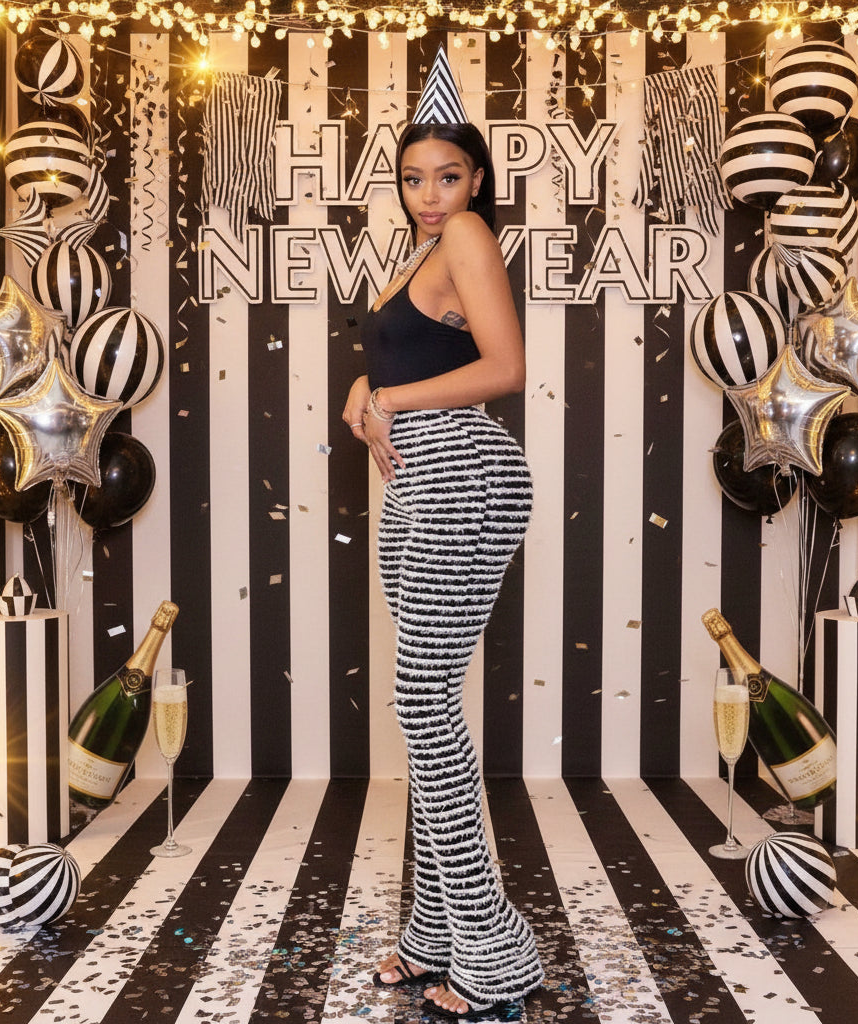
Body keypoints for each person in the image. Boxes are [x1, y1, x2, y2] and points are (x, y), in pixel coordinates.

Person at [342, 120, 544, 1020]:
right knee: (427, 701)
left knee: (423, 701)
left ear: (475, 183)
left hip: (460, 473)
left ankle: (496, 952)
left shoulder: (467, 236)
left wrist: (381, 394)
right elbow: (407, 361)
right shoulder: (419, 256)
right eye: (415, 178)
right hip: (421, 480)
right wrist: (363, 390)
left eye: (449, 176)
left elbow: (505, 369)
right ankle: (434, 938)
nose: (431, 194)